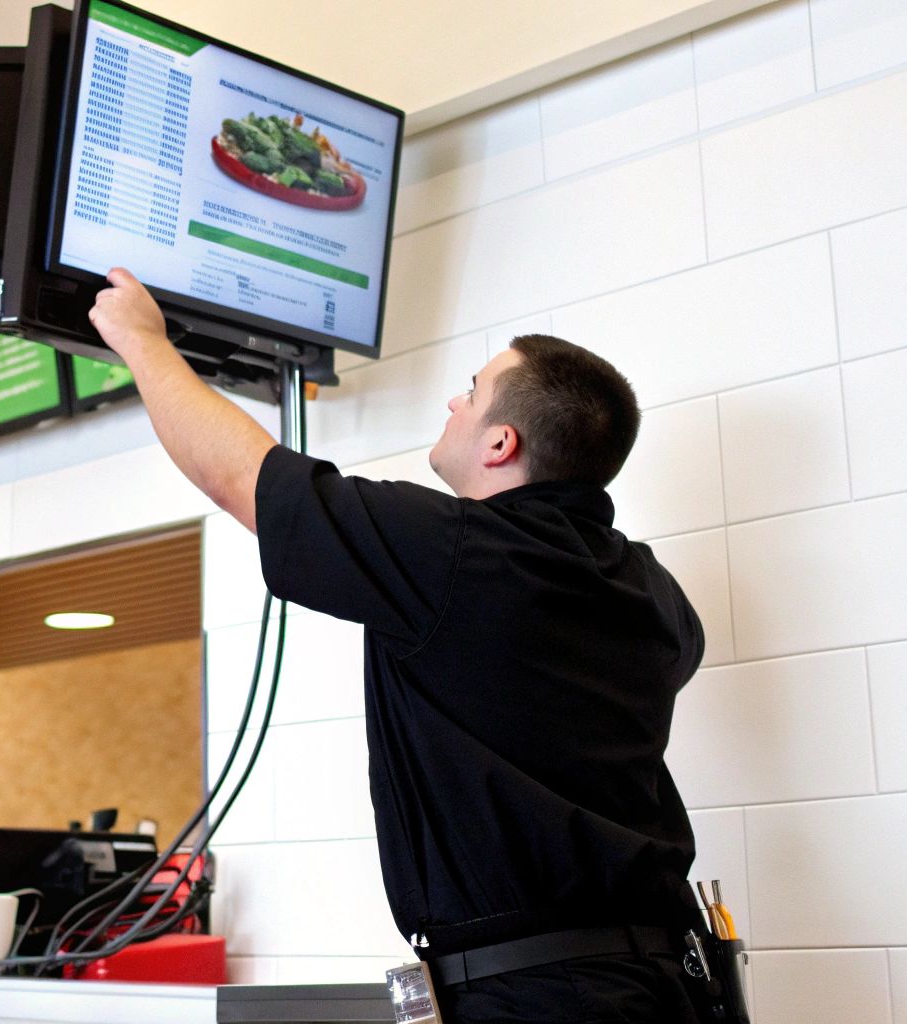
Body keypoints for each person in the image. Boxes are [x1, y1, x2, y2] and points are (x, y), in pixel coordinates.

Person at [88, 268, 711, 1023]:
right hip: (671, 982)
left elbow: (240, 477)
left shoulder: (457, 551)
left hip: (542, 999)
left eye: (472, 391)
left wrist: (141, 340)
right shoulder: (651, 588)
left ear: (501, 442)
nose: (454, 401)